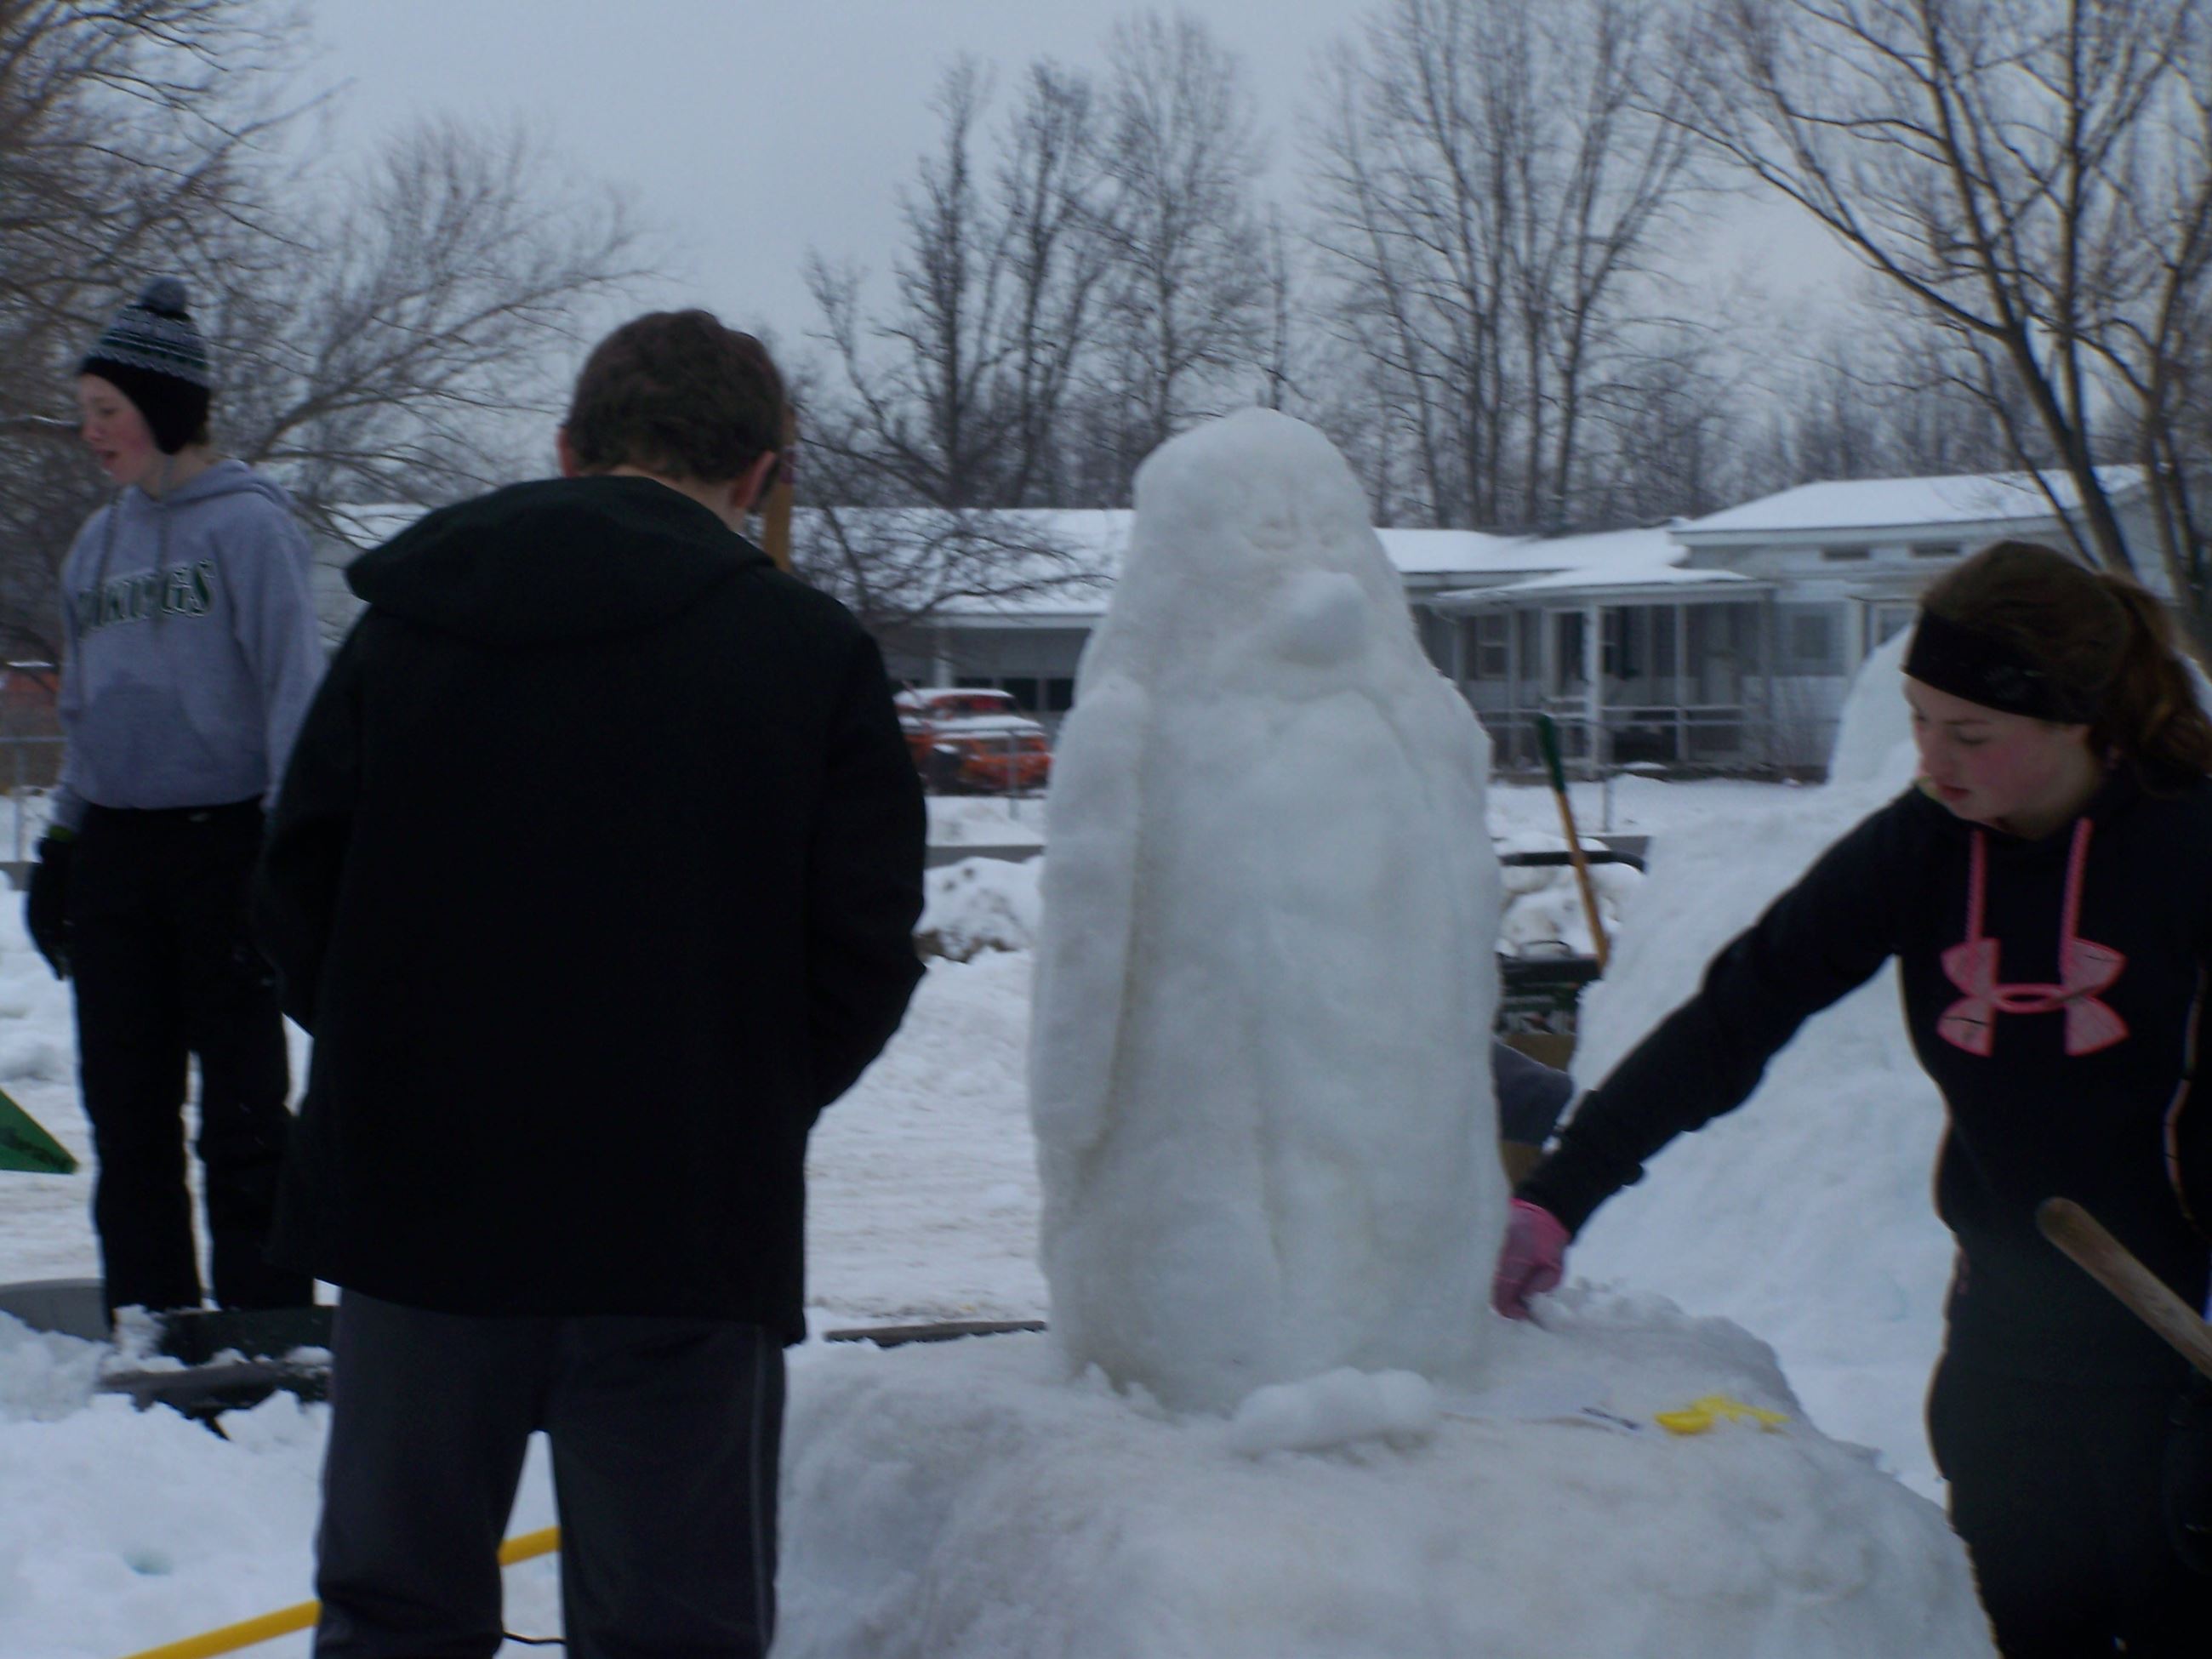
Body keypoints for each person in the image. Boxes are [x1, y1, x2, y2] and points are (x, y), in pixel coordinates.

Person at [254, 309, 926, 1658]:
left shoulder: (405, 627)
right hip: (680, 1216)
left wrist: (404, 1055)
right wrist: (743, 1090)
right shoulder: (807, 658)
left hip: (415, 1210)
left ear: (567, 450)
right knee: (672, 1626)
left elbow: (296, 897)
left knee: (395, 1611)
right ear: (763, 473)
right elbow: (860, 945)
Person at [1491, 540, 2212, 1656]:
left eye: (1969, 732)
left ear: (2078, 722)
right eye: (1919, 718)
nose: (1933, 757)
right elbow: (1743, 1008)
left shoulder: (2191, 850)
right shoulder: (1926, 847)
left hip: (2182, 1359)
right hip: (2008, 1357)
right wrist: (1561, 1192)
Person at [23, 277, 322, 1320]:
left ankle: (265, 1324)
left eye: (108, 408)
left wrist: (287, 852)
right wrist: (62, 846)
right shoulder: (96, 549)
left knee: (242, 1112)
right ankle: (148, 1320)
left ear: (166, 406)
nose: (91, 430)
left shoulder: (249, 533)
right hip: (117, 855)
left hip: (225, 846)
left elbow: (295, 695)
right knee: (126, 1109)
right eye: (86, 410)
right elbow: (84, 720)